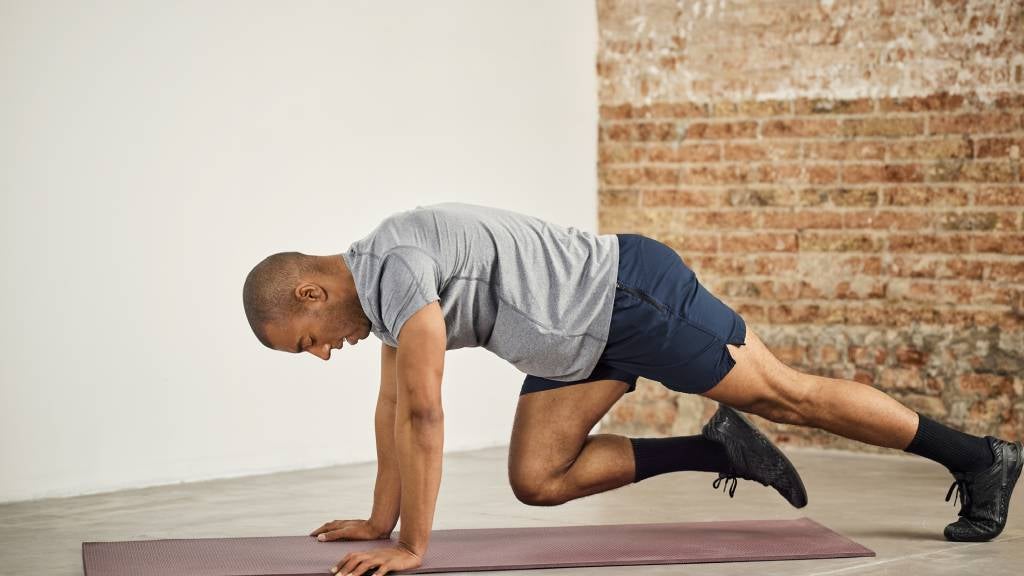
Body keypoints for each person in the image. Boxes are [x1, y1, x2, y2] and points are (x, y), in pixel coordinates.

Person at [242, 201, 1021, 576]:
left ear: (311, 294)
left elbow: (423, 409)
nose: (320, 354)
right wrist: (380, 520)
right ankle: (714, 447)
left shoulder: (398, 264)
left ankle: (979, 457)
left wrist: (414, 547)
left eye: (306, 342)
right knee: (537, 480)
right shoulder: (380, 289)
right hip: (572, 336)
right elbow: (391, 407)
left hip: (626, 296)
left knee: (788, 395)